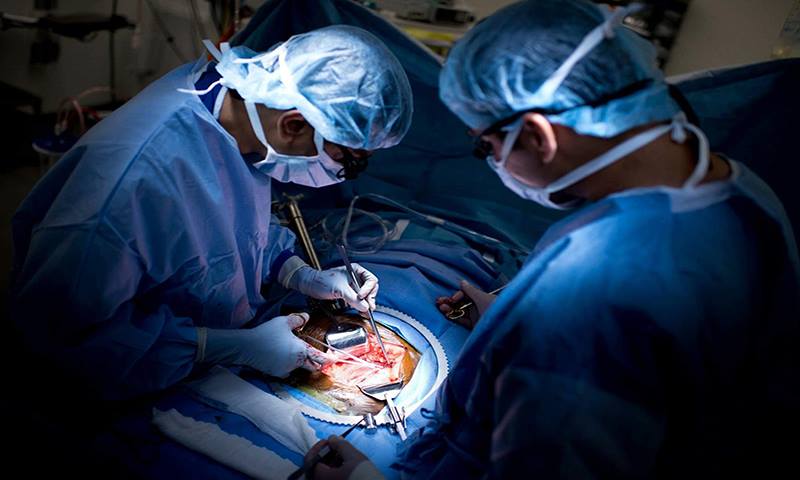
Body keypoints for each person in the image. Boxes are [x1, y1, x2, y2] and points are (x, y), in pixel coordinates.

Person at [303, 1, 800, 478]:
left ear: (538, 136)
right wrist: (512, 327)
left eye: (486, 145)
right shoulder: (740, 189)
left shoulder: (590, 290)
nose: (493, 161)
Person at [9, 25, 413, 400]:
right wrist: (224, 347)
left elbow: (229, 226)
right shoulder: (129, 186)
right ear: (292, 125)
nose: (343, 174)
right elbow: (61, 341)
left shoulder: (241, 117)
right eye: (347, 160)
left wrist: (300, 274)